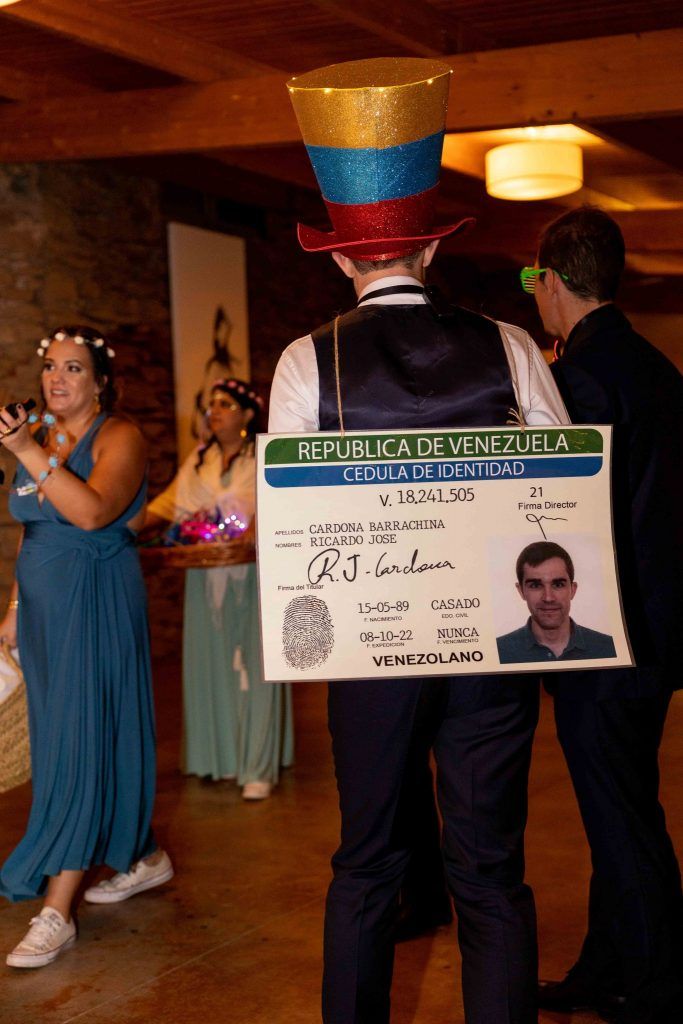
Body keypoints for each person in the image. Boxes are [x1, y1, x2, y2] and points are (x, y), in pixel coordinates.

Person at [271, 57, 569, 1024]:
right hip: (491, 646)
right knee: (489, 870)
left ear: (339, 260)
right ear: (432, 250)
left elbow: (289, 525)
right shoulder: (512, 346)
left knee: (366, 865)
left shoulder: (304, 362)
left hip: (368, 655)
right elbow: (559, 495)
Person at [525, 206, 683, 1024]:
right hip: (656, 626)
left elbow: (558, 516)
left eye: (533, 280)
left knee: (622, 817)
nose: (534, 293)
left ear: (552, 281)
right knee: (619, 802)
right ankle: (604, 966)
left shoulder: (577, 379)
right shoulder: (656, 367)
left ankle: (656, 984)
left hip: (606, 632)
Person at [0, 326, 172, 969]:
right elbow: (32, 531)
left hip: (95, 602)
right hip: (44, 612)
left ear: (100, 382)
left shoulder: (118, 435)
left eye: (74, 368)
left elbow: (93, 512)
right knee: (72, 737)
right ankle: (142, 854)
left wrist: (24, 449)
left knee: (81, 738)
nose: (57, 377)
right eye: (51, 366)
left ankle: (57, 909)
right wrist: (15, 608)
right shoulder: (43, 439)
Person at [143, 378, 294, 801]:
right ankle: (222, 756)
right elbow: (168, 505)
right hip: (205, 572)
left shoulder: (262, 456)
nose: (214, 412)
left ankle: (258, 763)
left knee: (258, 667)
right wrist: (123, 522)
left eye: (225, 404)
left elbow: (279, 503)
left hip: (254, 573)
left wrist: (251, 529)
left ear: (247, 414)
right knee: (210, 662)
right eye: (211, 405)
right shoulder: (199, 460)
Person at [496, 541, 616, 663]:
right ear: (521, 591)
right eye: (535, 585)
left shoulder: (610, 649)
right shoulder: (499, 653)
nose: (548, 598)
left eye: (558, 585)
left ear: (573, 590)